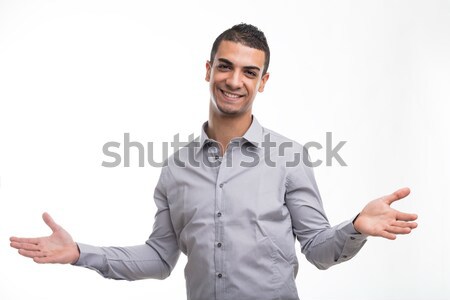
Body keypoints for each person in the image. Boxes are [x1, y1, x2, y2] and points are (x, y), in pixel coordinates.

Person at [10, 24, 418, 300]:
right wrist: (81, 252)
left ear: (263, 81)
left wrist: (355, 227)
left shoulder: (289, 158)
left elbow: (317, 250)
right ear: (208, 70)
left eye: (248, 71)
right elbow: (159, 258)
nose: (234, 80)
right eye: (225, 66)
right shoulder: (175, 168)